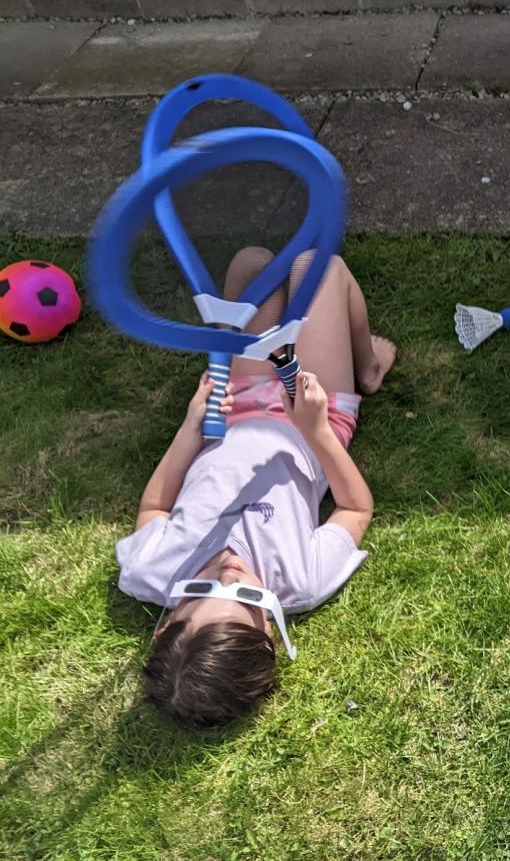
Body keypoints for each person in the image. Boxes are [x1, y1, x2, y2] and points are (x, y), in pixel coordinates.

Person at [115, 248, 397, 729]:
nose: (229, 570)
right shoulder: (301, 579)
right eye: (246, 597)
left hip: (237, 401)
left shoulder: (150, 570)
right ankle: (369, 366)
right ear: (267, 628)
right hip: (313, 409)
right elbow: (355, 509)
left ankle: (288, 317)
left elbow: (155, 505)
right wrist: (317, 432)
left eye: (203, 589)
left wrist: (191, 428)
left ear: (165, 623)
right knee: (315, 267)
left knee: (250, 264)